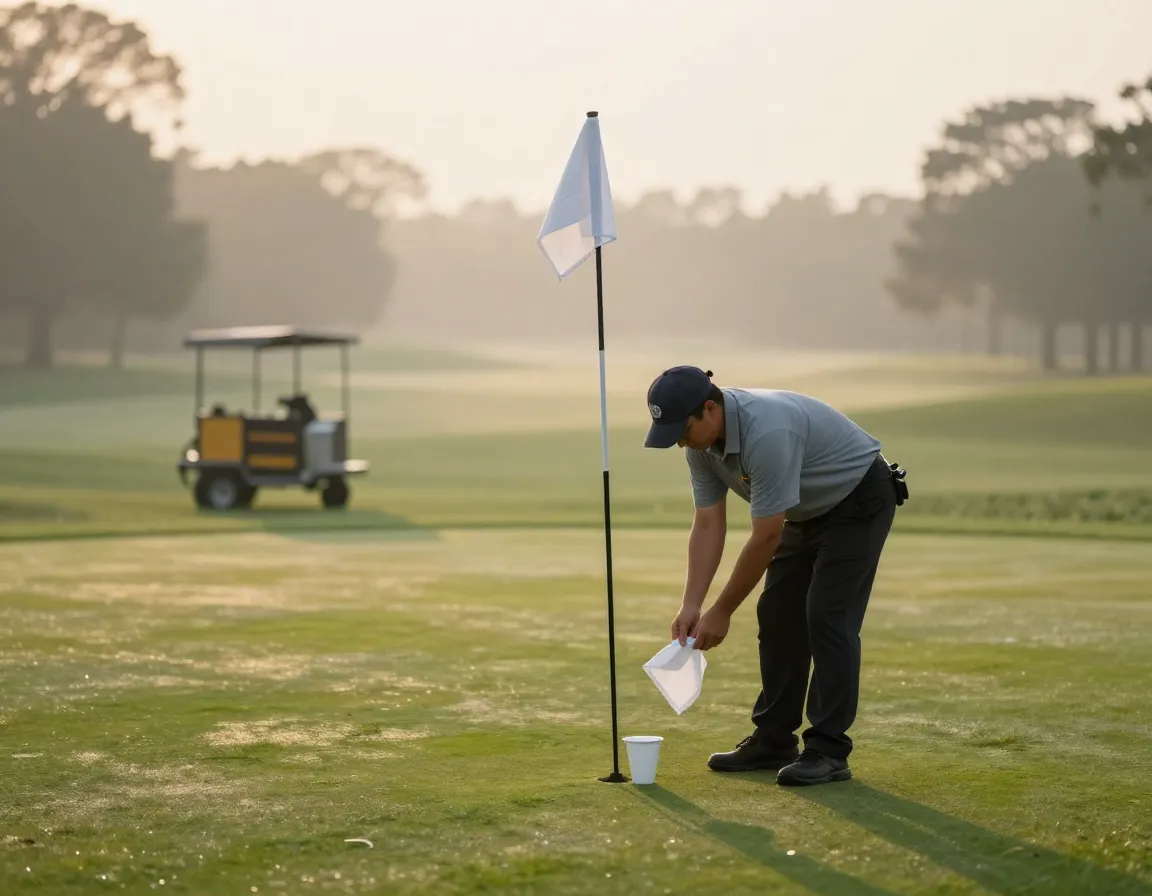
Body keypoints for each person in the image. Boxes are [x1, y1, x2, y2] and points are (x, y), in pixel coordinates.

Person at [642, 365, 906, 786]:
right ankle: (775, 739)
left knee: (826, 616)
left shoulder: (766, 433)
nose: (678, 440)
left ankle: (828, 751)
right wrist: (692, 604)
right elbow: (708, 524)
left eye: (681, 428)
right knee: (779, 614)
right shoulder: (700, 448)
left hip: (857, 500)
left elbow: (765, 537)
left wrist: (722, 610)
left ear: (709, 409)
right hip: (805, 510)